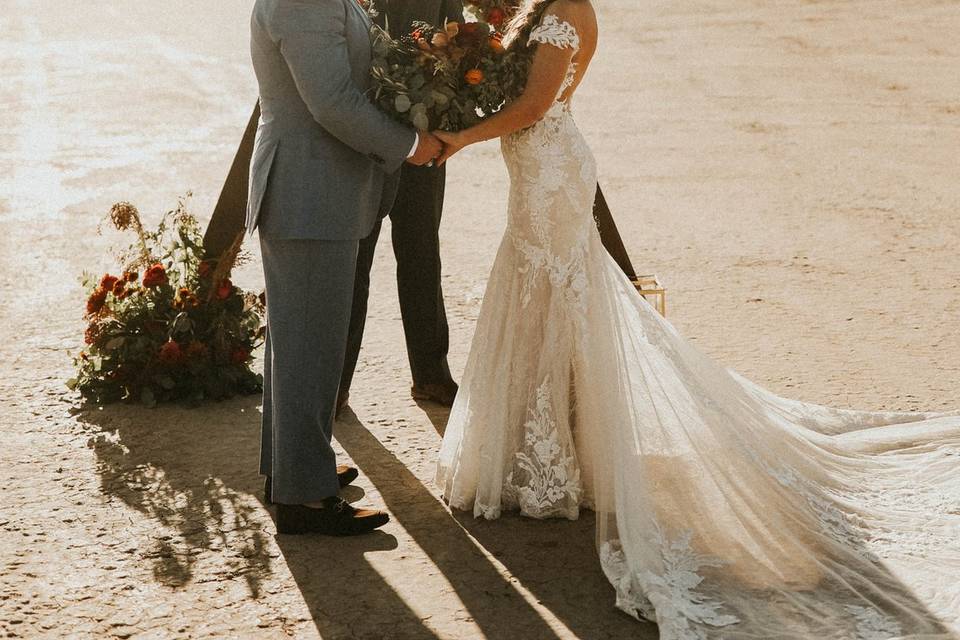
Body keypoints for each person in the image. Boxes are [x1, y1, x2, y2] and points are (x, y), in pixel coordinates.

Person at [433, 0, 960, 637]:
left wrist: (460, 136)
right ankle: (548, 451)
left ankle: (557, 459)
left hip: (551, 171)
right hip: (538, 170)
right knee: (538, 296)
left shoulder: (569, 11)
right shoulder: (536, 8)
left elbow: (535, 107)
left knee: (555, 297)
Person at [247, 0, 441, 536]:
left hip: (318, 190)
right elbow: (330, 100)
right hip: (309, 191)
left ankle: (292, 469)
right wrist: (410, 144)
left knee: (301, 342)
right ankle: (305, 499)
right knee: (310, 343)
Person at [339, 0, 465, 414]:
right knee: (355, 259)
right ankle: (334, 384)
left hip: (424, 131)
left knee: (422, 253)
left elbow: (456, 32)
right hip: (364, 140)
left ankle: (430, 374)